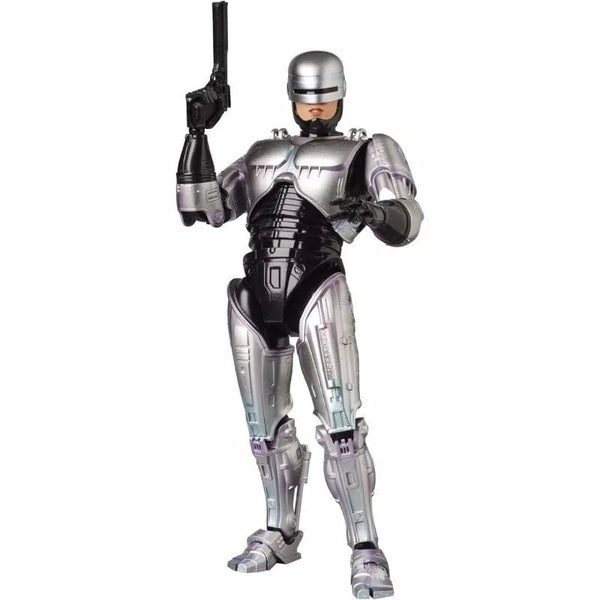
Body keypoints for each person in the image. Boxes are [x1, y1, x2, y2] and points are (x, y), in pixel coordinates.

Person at [177, 50, 423, 599]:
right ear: (292, 97)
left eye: (325, 100)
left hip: (318, 285)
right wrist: (197, 133)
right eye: (307, 100)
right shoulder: (261, 153)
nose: (315, 111)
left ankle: (365, 546)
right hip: (256, 292)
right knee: (263, 430)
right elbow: (201, 209)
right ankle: (279, 530)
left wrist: (375, 212)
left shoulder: (366, 148)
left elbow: (407, 220)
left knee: (341, 426)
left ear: (341, 96)